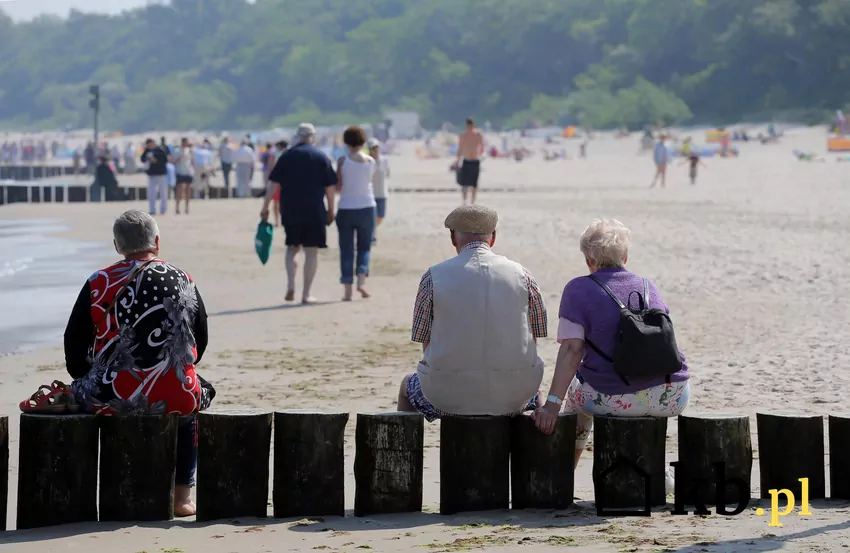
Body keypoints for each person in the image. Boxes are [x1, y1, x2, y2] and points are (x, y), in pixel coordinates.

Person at [59, 210, 215, 517]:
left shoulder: (99, 281)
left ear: (117, 245)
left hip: (112, 393)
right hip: (176, 392)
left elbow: (73, 340)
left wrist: (84, 376)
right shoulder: (184, 278)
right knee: (192, 402)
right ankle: (183, 496)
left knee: (84, 389)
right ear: (156, 242)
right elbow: (201, 337)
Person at [532, 219, 690, 469]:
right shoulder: (649, 286)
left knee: (576, 395)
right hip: (672, 395)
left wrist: (552, 405)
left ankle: (566, 470)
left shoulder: (578, 288)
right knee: (645, 393)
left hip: (616, 398)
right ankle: (654, 469)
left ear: (588, 259)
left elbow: (573, 349)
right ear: (625, 256)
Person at [397, 204, 547, 421]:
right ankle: (538, 450)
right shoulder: (523, 275)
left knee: (406, 386)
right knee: (535, 392)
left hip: (446, 396)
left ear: (453, 238)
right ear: (493, 238)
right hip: (515, 395)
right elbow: (536, 333)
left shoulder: (433, 276)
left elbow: (424, 340)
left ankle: (403, 453)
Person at [260, 123, 337, 304]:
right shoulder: (321, 157)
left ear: (298, 136)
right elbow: (330, 187)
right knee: (311, 252)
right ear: (313, 137)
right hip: (314, 209)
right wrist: (331, 210)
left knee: (292, 247)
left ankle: (291, 285)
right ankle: (306, 294)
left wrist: (265, 206)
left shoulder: (287, 156)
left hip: (291, 209)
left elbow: (274, 184)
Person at [335, 126, 377, 301]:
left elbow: (338, 186)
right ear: (363, 142)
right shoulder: (371, 161)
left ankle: (347, 290)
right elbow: (370, 181)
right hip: (367, 206)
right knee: (364, 247)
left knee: (346, 249)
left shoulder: (343, 161)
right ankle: (361, 281)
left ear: (346, 142)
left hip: (346, 206)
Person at [453, 117, 484, 204]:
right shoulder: (464, 135)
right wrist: (458, 160)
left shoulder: (477, 134)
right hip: (467, 160)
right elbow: (460, 149)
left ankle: (472, 201)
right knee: (464, 183)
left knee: (474, 183)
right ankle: (465, 200)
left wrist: (481, 155)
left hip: (474, 160)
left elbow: (482, 147)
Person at [367, 138, 389, 243]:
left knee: (380, 216)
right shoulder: (367, 161)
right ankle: (372, 236)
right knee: (372, 217)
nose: (374, 151)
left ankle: (372, 232)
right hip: (370, 194)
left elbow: (387, 173)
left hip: (382, 193)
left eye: (376, 148)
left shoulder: (384, 160)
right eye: (372, 148)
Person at [140, 138, 169, 216]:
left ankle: (163, 209)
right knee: (151, 193)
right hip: (151, 174)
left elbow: (164, 160)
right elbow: (142, 159)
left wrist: (156, 160)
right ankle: (152, 209)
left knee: (163, 193)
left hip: (161, 174)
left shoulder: (160, 150)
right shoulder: (147, 151)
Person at [172, 138, 195, 215]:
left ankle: (187, 207)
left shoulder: (190, 150)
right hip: (180, 171)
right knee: (180, 190)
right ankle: (177, 207)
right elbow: (174, 161)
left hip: (188, 171)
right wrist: (180, 158)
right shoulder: (177, 151)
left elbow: (192, 161)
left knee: (188, 190)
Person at [268, 140, 289, 227]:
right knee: (285, 202)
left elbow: (271, 167)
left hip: (277, 181)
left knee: (276, 202)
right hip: (287, 181)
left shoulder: (275, 155)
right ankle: (282, 220)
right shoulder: (290, 154)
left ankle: (277, 221)